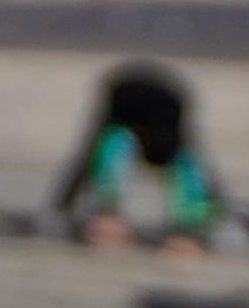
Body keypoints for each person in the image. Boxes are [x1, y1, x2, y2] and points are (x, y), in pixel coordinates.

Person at [55, 59, 225, 256]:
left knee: (174, 156)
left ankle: (183, 232)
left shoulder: (169, 144)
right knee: (116, 145)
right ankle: (108, 216)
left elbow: (87, 159)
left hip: (159, 102)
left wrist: (189, 231)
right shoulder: (120, 135)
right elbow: (89, 160)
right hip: (141, 97)